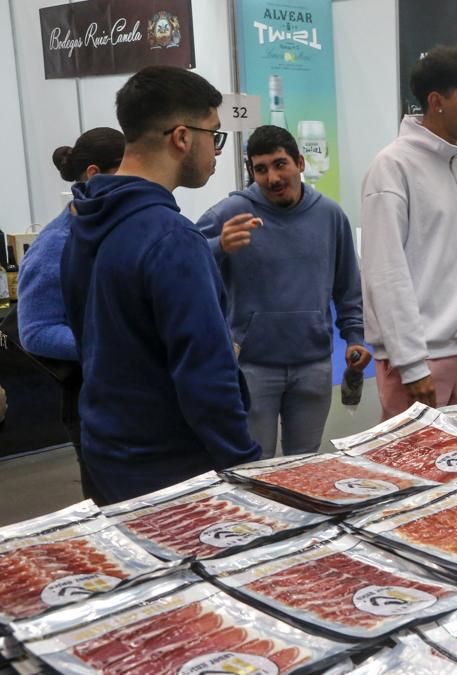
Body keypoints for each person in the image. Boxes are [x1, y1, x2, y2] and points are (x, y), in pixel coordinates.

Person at [60, 66, 262, 504]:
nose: (218, 151)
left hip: (108, 454)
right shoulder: (173, 239)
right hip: (175, 470)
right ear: (182, 138)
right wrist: (246, 467)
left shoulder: (85, 221)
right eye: (216, 135)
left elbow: (84, 335)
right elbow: (206, 375)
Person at [197, 125, 369, 456]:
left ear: (300, 163)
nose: (272, 177)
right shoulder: (231, 212)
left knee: (304, 466)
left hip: (314, 365)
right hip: (253, 367)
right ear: (251, 172)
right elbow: (181, 257)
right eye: (260, 169)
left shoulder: (330, 215)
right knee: (254, 468)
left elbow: (348, 287)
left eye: (280, 164)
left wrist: (355, 338)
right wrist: (219, 246)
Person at [361, 45, 457, 419]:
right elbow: (385, 273)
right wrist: (411, 362)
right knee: (412, 471)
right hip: (418, 361)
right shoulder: (391, 167)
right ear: (436, 101)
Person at [17, 128, 125, 499]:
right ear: (95, 175)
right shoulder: (55, 244)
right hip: (93, 398)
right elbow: (36, 331)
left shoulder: (127, 227)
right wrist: (109, 343)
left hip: (139, 394)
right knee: (113, 511)